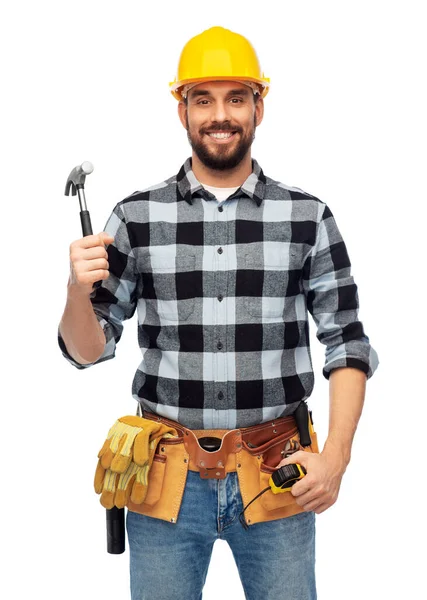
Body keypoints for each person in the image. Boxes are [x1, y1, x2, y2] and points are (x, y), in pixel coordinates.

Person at [59, 26, 379, 600]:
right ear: (181, 110)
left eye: (236, 97)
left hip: (278, 476)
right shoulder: (134, 217)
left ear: (260, 105)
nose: (219, 115)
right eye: (202, 99)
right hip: (165, 482)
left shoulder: (307, 217)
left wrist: (335, 458)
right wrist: (75, 289)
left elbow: (347, 342)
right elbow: (87, 350)